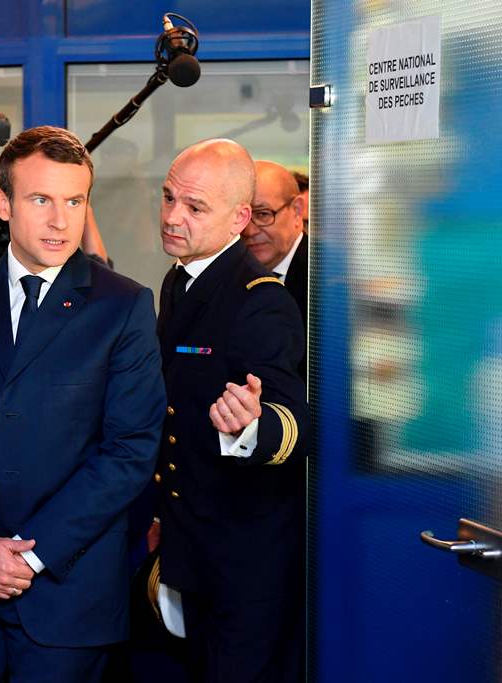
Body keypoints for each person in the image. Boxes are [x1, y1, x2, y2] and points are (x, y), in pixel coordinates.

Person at [0, 125, 166, 681]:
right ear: (3, 204)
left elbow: (129, 452)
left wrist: (27, 557)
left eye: (74, 201)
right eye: (41, 199)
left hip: (67, 598)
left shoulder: (123, 307)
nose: (60, 219)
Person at [149, 139, 307, 682]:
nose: (172, 217)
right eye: (168, 198)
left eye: (194, 208)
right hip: (190, 542)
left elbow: (292, 420)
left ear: (239, 218)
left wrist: (251, 427)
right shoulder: (181, 279)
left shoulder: (261, 299)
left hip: (244, 559)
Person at [243, 159, 308, 378]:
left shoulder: (325, 275)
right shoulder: (231, 275)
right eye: (243, 217)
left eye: (262, 214)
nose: (250, 231)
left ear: (297, 211)